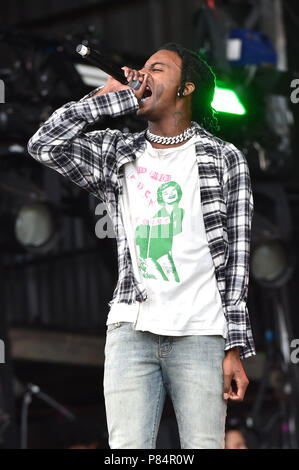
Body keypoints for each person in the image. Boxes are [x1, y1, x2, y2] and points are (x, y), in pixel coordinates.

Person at [27, 42, 255, 449]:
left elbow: (237, 259)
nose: (144, 74)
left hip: (201, 333)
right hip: (131, 330)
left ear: (186, 89)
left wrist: (234, 346)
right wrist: (105, 98)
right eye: (143, 67)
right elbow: (44, 144)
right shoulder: (118, 150)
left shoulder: (224, 158)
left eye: (159, 69)